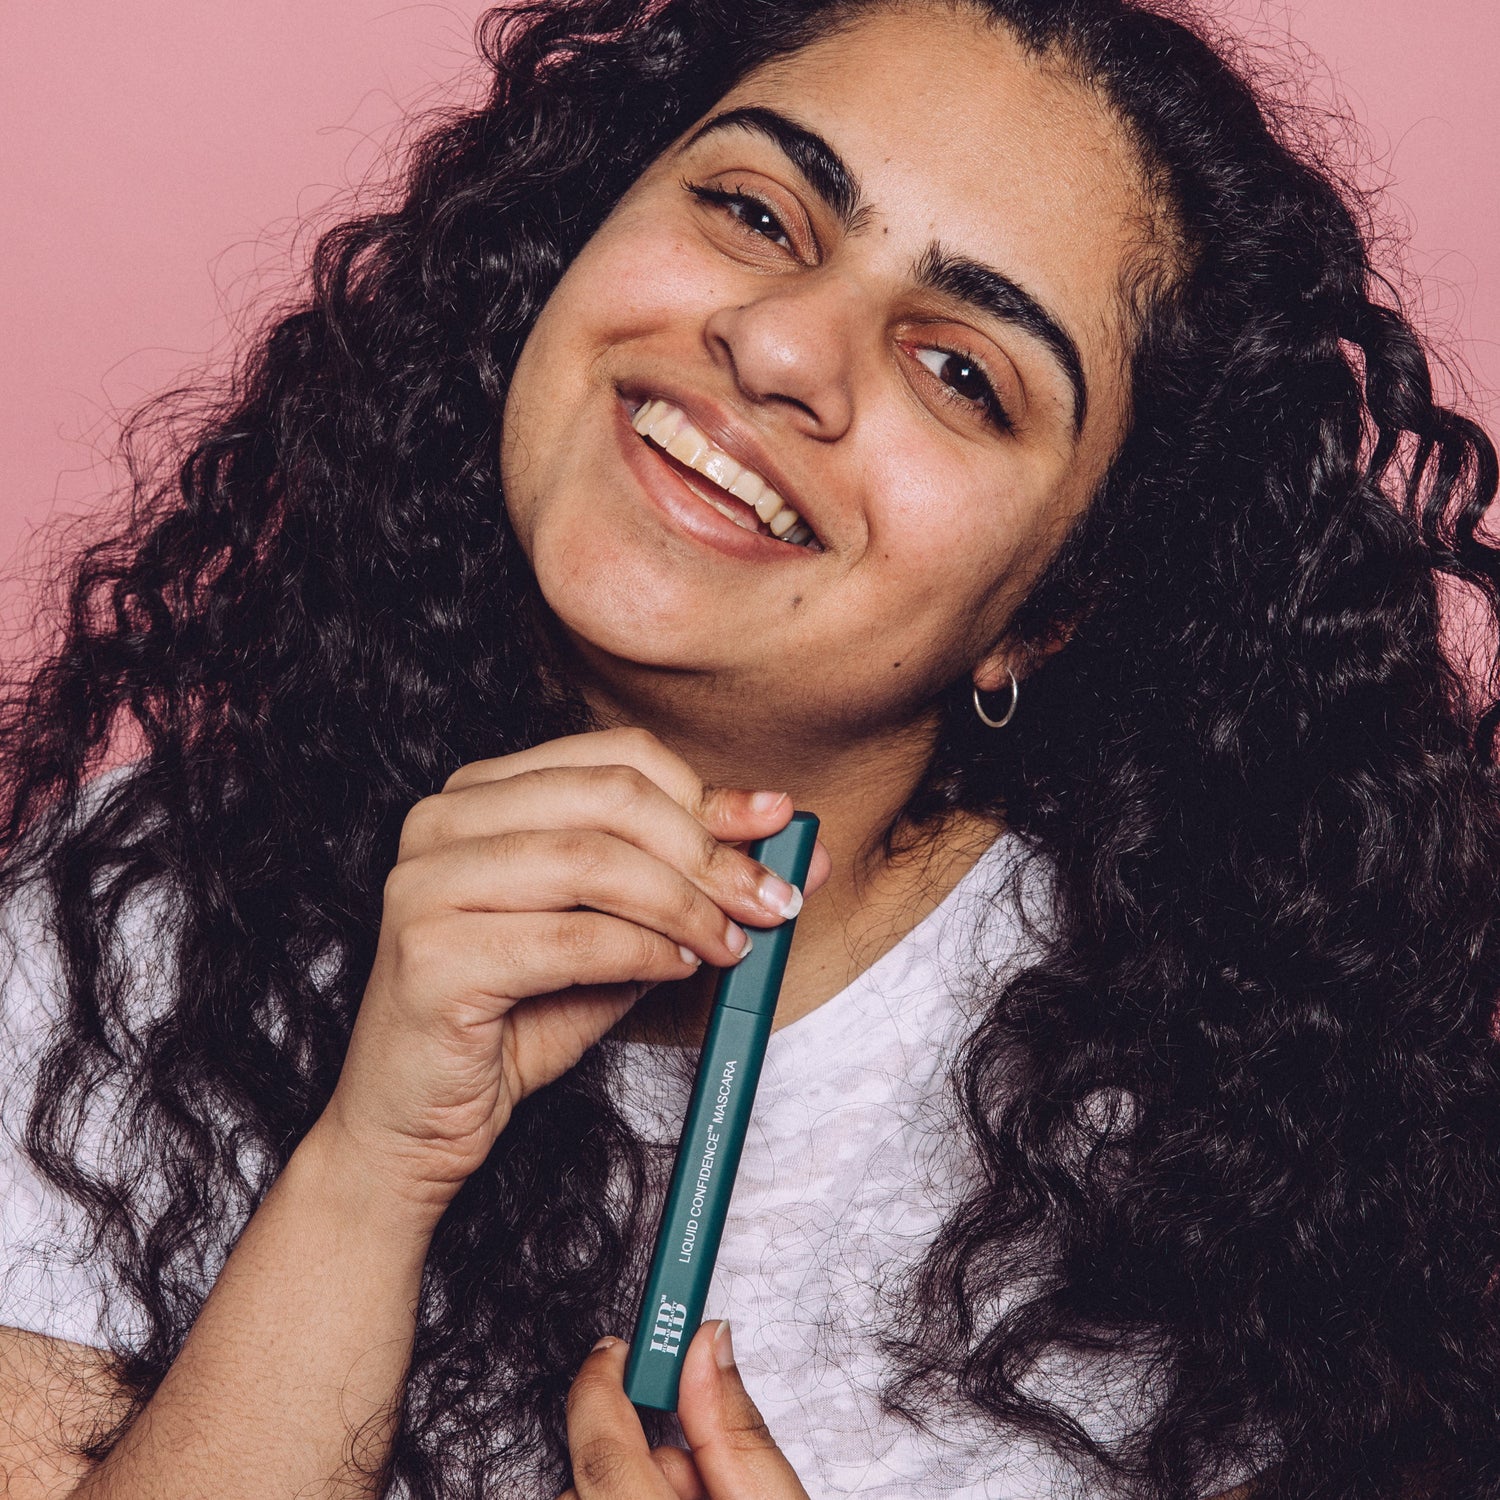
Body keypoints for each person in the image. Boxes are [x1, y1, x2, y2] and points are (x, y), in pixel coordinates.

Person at [1, 0, 1498, 1495]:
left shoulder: (1223, 1137)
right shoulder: (119, 931)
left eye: (964, 372)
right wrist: (367, 1171)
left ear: (1050, 612)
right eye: (753, 211)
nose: (780, 345)